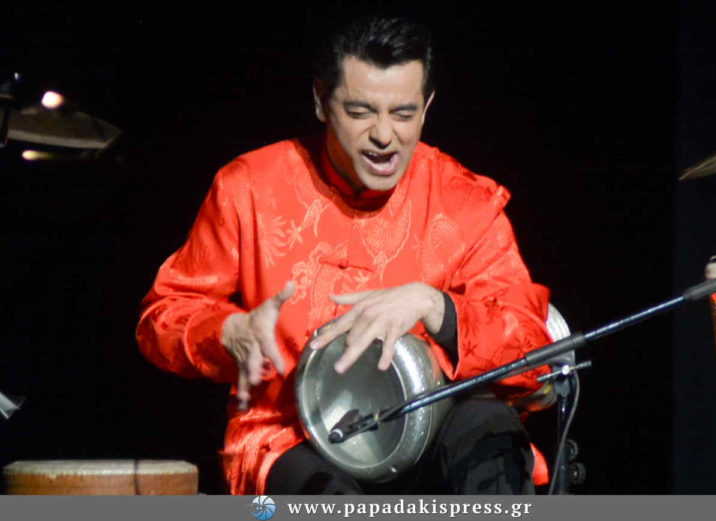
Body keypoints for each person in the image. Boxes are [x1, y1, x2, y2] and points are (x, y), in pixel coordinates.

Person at [136, 16, 553, 495]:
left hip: (431, 428)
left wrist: (435, 307)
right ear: (321, 100)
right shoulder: (248, 187)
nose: (384, 136)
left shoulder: (467, 202)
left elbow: (534, 352)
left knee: (490, 431)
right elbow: (161, 319)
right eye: (360, 112)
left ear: (426, 107)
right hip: (293, 435)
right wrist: (227, 332)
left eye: (403, 114)